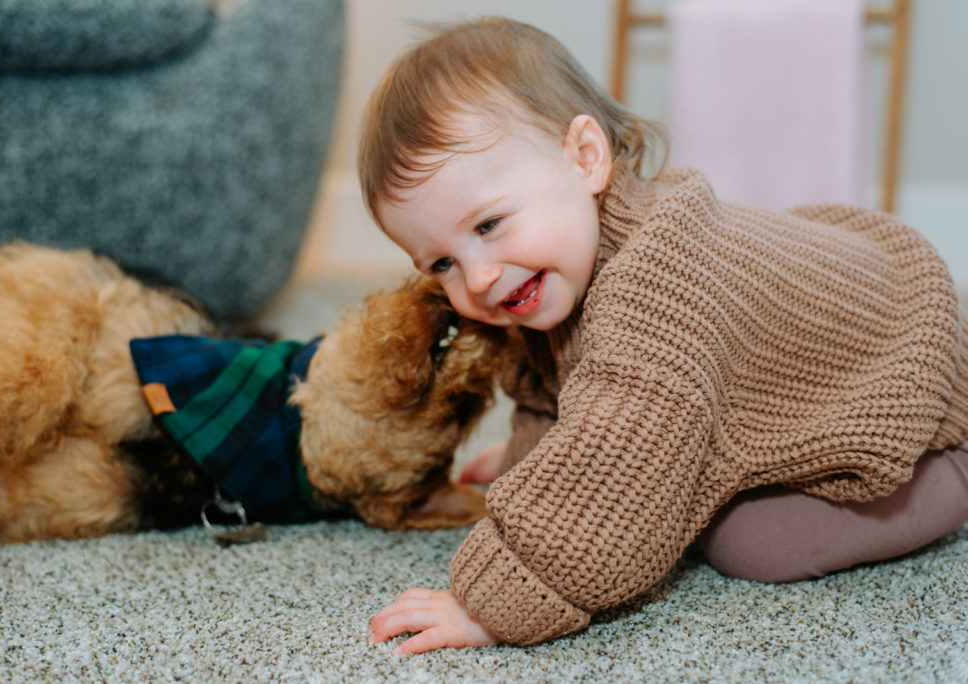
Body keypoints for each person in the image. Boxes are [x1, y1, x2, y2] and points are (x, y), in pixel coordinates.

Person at [359, 16, 968, 653]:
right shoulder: (546, 278)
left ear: (586, 160)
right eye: (441, 264)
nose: (478, 279)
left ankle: (954, 470)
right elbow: (558, 396)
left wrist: (493, 603)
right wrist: (528, 463)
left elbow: (613, 465)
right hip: (787, 367)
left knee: (752, 543)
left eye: (487, 225)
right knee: (702, 506)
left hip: (905, 364)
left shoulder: (658, 282)